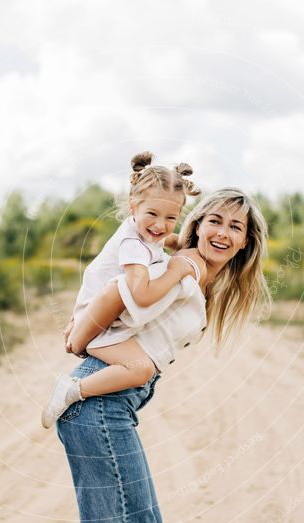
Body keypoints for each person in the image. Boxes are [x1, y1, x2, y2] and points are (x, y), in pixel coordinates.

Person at [55, 188, 271, 523]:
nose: (222, 233)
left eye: (234, 227)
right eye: (214, 221)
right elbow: (115, 289)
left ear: (245, 241)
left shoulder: (199, 276)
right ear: (198, 226)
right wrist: (79, 334)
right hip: (98, 407)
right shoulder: (181, 268)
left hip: (108, 407)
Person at [41, 151, 201, 429]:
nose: (160, 225)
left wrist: (181, 243)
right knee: (141, 369)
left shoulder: (146, 233)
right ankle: (71, 390)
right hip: (96, 323)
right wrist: (178, 270)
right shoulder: (133, 246)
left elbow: (166, 239)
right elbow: (142, 294)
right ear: (132, 206)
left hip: (99, 314)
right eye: (152, 214)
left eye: (170, 218)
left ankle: (74, 387)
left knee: (143, 365)